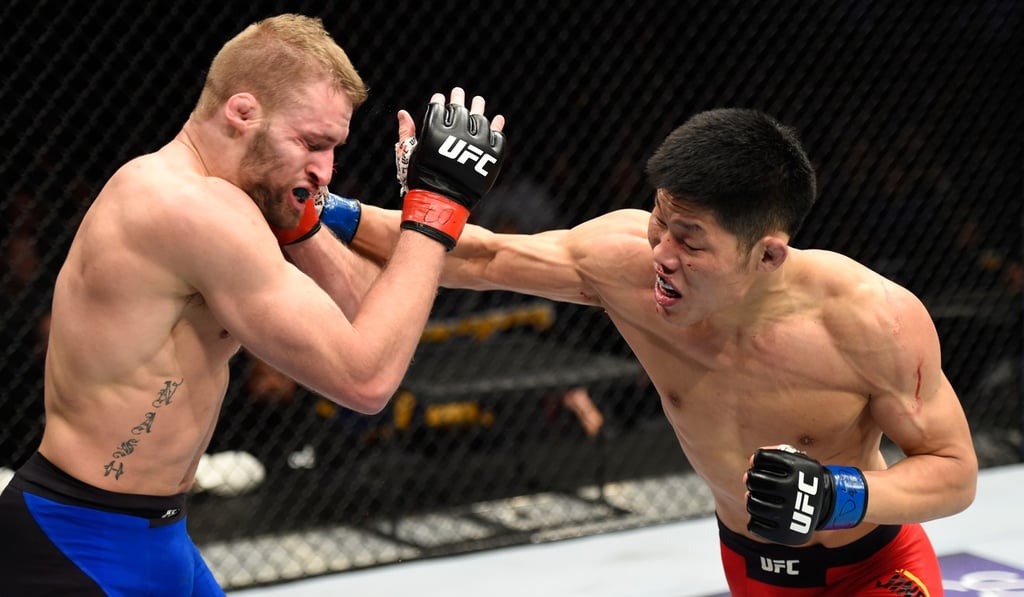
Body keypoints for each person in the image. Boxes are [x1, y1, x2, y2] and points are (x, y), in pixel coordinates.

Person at [351, 107, 978, 594]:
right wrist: (314, 207)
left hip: (871, 568)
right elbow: (483, 258)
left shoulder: (872, 321)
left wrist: (842, 494)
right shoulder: (624, 264)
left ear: (766, 254)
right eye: (660, 220)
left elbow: (955, 473)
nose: (661, 255)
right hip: (750, 567)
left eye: (691, 241)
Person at [0, 13, 506, 596]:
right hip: (81, 545)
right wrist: (435, 207)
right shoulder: (187, 206)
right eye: (312, 143)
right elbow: (365, 380)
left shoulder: (236, 200)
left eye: (334, 149)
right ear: (242, 112)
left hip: (156, 535)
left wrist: (391, 214)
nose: (324, 170)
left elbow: (372, 319)